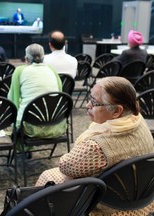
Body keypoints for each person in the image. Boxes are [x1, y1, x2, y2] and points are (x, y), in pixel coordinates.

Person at [35, 76, 154, 215]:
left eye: (94, 102)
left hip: (109, 208)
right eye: (89, 98)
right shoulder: (137, 118)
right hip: (143, 199)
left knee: (47, 175)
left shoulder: (97, 147)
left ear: (116, 111)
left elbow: (66, 166)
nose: (87, 105)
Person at [8, 43, 65, 148]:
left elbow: (13, 100)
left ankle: (22, 147)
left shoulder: (20, 70)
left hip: (30, 127)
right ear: (44, 57)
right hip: (56, 124)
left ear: (26, 58)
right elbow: (60, 96)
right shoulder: (51, 70)